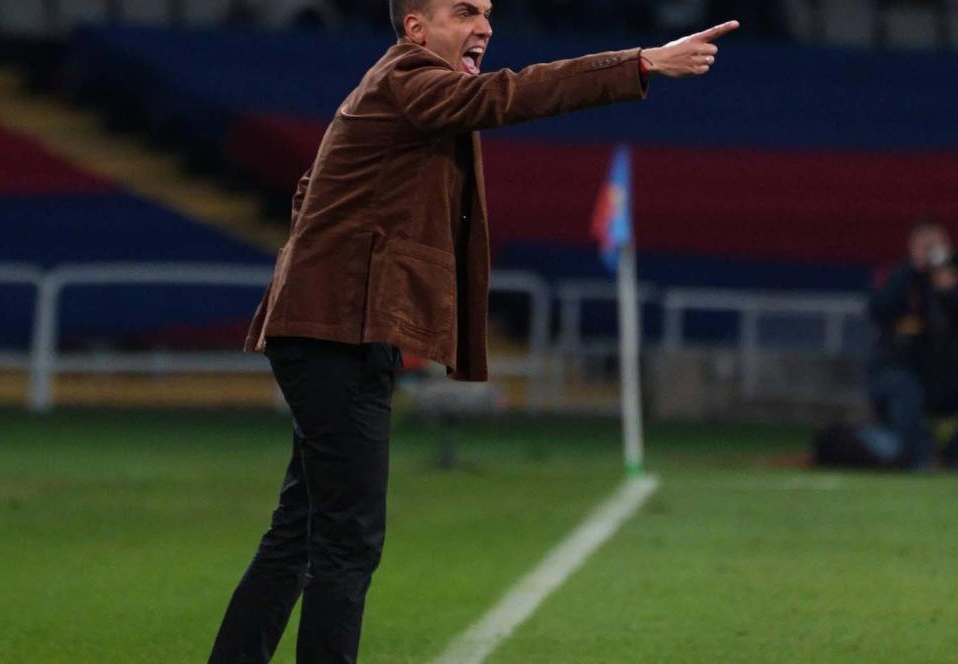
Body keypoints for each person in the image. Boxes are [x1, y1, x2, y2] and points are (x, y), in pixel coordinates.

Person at [206, 3, 740, 662]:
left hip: (332, 326)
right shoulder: (409, 79)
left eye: (487, 12)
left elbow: (311, 192)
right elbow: (510, 94)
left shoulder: (392, 88)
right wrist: (642, 62)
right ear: (416, 29)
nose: (485, 25)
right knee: (346, 541)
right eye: (464, 11)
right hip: (337, 332)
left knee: (301, 530)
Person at [867, 222, 958, 470]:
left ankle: (955, 455)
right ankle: (922, 456)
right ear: (912, 248)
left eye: (937, 245)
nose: (931, 252)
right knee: (903, 390)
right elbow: (879, 310)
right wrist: (911, 271)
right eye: (925, 245)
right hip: (903, 368)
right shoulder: (894, 277)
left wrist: (952, 290)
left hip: (949, 372)